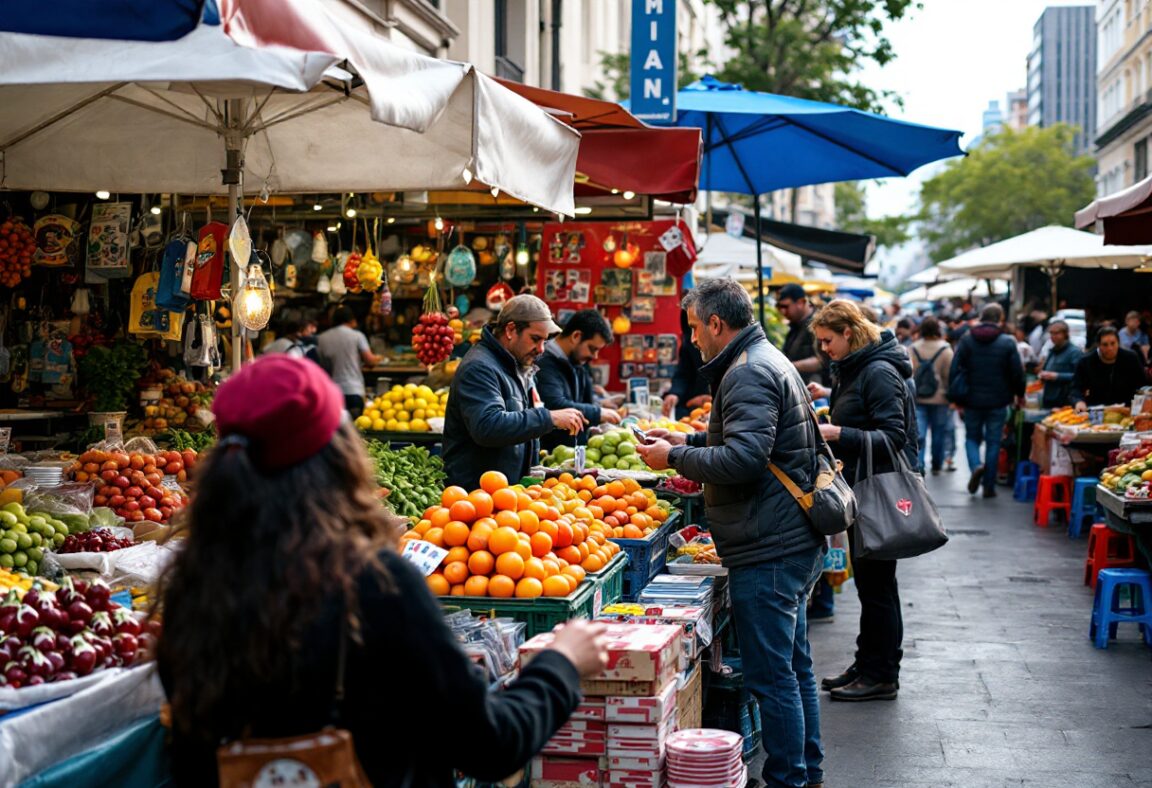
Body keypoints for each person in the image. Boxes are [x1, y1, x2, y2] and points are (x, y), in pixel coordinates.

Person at [155, 356, 610, 787]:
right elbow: (488, 745)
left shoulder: (194, 588)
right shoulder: (372, 584)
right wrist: (560, 664)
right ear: (338, 458)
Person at [635, 278, 826, 788]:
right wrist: (687, 438)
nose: (694, 339)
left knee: (772, 675)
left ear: (717, 323)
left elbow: (744, 459)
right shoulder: (765, 359)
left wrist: (674, 456)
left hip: (771, 544)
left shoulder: (748, 372)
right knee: (792, 666)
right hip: (787, 537)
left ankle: (789, 778)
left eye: (696, 328)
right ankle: (807, 770)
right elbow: (743, 439)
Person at [805, 299, 916, 704]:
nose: (823, 349)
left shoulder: (879, 371)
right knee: (873, 585)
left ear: (848, 333)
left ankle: (881, 674)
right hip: (861, 486)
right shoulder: (857, 367)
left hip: (878, 490)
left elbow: (893, 437)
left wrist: (839, 434)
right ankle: (868, 663)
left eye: (827, 340)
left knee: (878, 586)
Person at [443, 295, 586, 491]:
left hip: (504, 494)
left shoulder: (516, 364)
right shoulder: (480, 367)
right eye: (535, 339)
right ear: (510, 330)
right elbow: (488, 426)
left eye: (545, 340)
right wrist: (548, 418)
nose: (541, 349)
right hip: (476, 497)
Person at [947, 303, 1025, 498]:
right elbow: (1017, 373)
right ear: (1000, 318)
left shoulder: (966, 340)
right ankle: (989, 485)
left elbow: (954, 369)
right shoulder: (1007, 341)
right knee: (993, 441)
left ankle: (975, 466)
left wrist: (955, 397)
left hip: (971, 399)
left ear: (981, 317)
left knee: (971, 438)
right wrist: (1020, 394)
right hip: (998, 400)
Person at [536, 309, 621, 451]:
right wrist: (598, 413)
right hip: (552, 455)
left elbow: (583, 401)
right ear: (576, 336)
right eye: (592, 348)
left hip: (574, 452)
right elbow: (554, 403)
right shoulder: (544, 363)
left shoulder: (578, 361)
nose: (594, 356)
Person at [316, 306, 382, 418]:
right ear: (351, 320)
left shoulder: (322, 338)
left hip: (332, 391)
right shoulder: (357, 336)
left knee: (335, 430)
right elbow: (370, 360)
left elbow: (322, 364)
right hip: (353, 390)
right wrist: (378, 358)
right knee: (357, 428)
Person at [909, 316, 954, 475]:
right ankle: (937, 463)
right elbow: (949, 375)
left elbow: (909, 373)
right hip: (940, 398)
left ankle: (919, 463)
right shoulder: (946, 349)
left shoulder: (913, 348)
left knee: (919, 433)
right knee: (939, 432)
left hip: (918, 397)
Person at [1073, 326, 1148, 410]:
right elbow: (1076, 387)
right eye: (1105, 345)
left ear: (1118, 343)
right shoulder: (1086, 362)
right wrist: (1079, 401)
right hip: (1096, 410)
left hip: (1126, 409)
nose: (1110, 348)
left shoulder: (1131, 358)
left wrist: (1138, 405)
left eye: (1113, 343)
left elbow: (1142, 385)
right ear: (1098, 345)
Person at [661, 307, 711, 419]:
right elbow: (683, 373)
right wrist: (675, 393)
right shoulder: (689, 342)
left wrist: (709, 398)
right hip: (691, 408)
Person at [776, 283, 827, 385]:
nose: (782, 311)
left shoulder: (818, 323)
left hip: (816, 388)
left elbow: (821, 361)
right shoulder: (795, 324)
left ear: (801, 302)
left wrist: (788, 366)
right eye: (779, 306)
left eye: (785, 306)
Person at [1037, 320, 1083, 409]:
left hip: (1064, 401)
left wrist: (1057, 376)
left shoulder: (1074, 352)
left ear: (1065, 334)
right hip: (1049, 399)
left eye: (1057, 333)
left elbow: (1079, 376)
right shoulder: (1052, 351)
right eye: (1051, 333)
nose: (1053, 337)